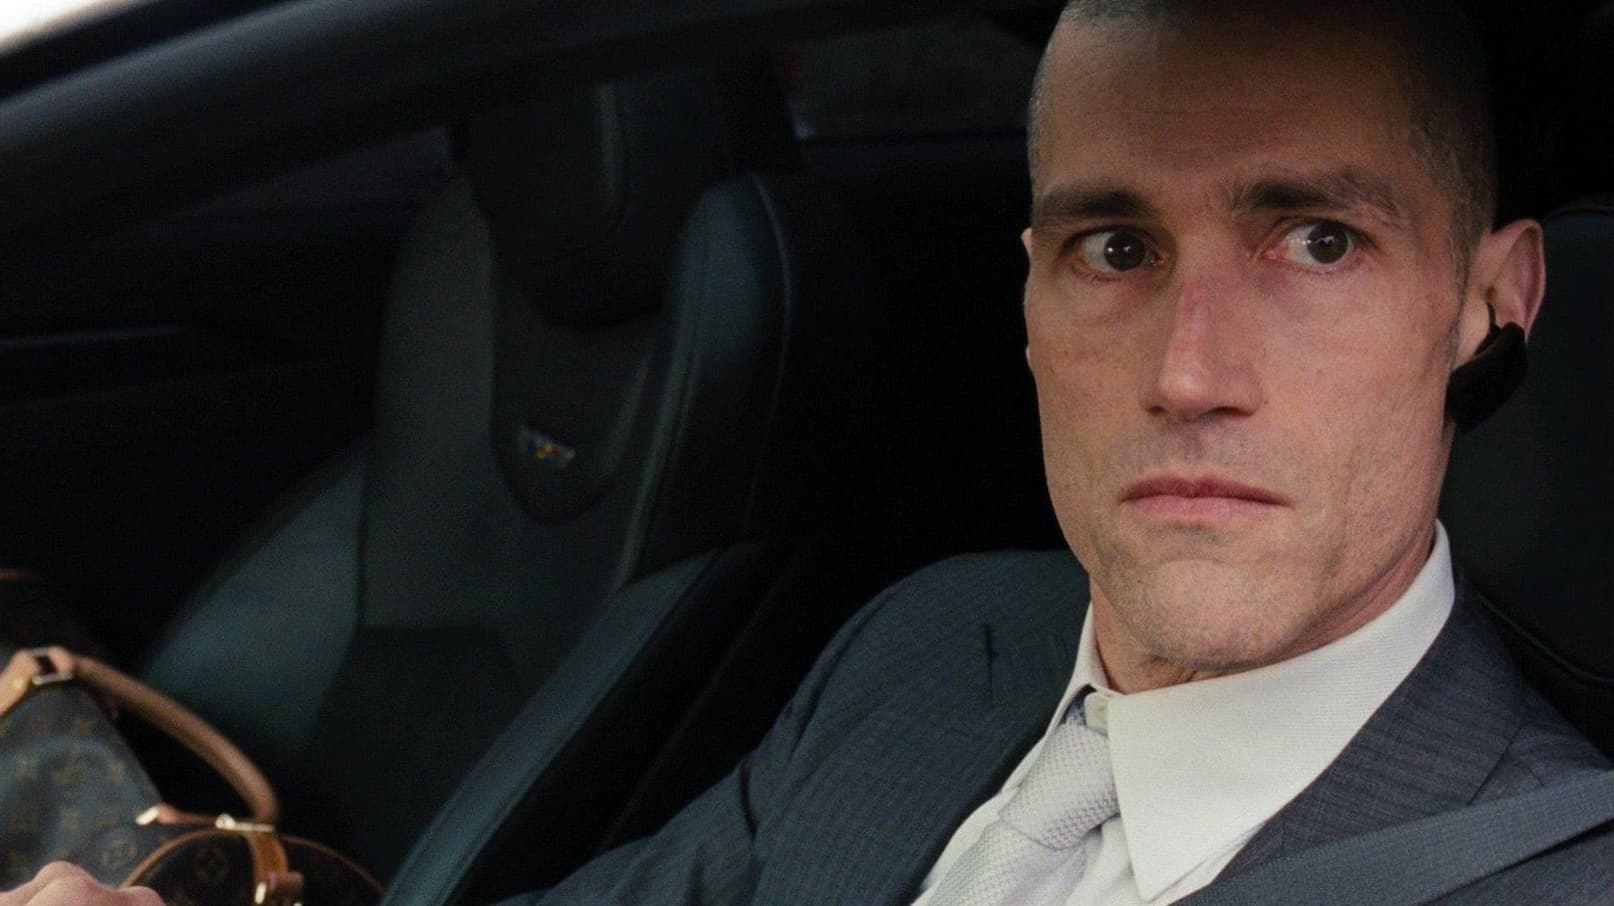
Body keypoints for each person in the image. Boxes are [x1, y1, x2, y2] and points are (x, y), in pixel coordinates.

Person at [6, 0, 1609, 903]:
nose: (1189, 373)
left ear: (1494, 298)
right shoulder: (935, 639)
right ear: (1029, 299)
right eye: (1113, 249)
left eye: (1317, 242)